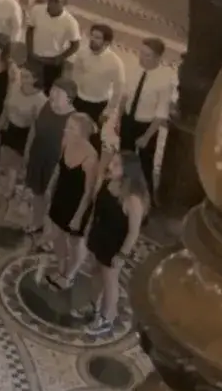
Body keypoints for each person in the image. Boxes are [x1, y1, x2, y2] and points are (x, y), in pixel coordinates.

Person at [77, 152, 150, 331]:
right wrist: (88, 228)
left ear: (128, 171)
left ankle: (106, 317)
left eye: (117, 164)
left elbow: (133, 232)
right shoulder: (110, 183)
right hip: (100, 235)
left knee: (110, 282)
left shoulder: (132, 198)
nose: (111, 166)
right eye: (113, 162)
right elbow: (97, 209)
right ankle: (93, 305)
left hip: (115, 244)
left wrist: (122, 255)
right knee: (95, 273)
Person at [114, 37, 177, 194]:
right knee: (124, 156)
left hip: (146, 124)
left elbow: (161, 113)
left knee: (145, 163)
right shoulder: (134, 70)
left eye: (147, 55)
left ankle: (144, 196)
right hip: (129, 119)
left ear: (158, 57)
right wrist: (118, 120)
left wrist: (147, 137)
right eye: (141, 53)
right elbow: (125, 97)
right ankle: (122, 188)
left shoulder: (164, 79)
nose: (141, 58)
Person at [43, 112, 101, 283]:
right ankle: (61, 265)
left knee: (75, 242)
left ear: (83, 133)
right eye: (67, 126)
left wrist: (77, 217)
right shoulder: (66, 143)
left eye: (71, 128)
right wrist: (50, 188)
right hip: (61, 195)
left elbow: (88, 192)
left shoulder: (91, 158)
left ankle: (70, 274)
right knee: (56, 233)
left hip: (78, 204)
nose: (66, 130)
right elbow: (59, 168)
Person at [21, 76, 78, 231]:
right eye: (53, 89)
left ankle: (51, 233)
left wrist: (59, 172)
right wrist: (27, 149)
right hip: (38, 156)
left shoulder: (73, 119)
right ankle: (37, 221)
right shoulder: (46, 105)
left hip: (55, 165)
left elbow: (70, 150)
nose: (53, 94)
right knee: (37, 193)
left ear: (69, 99)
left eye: (59, 92)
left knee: (52, 200)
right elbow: (35, 127)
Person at [0, 65, 48, 196]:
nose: (22, 79)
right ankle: (3, 180)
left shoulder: (40, 99)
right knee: (5, 157)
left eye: (26, 76)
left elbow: (35, 128)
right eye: (22, 75)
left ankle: (9, 189)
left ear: (35, 79)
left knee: (15, 164)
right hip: (9, 127)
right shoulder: (14, 87)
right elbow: (5, 109)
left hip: (24, 133)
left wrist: (28, 149)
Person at [26, 0, 83, 91]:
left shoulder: (70, 22)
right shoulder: (37, 10)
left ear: (64, 3)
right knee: (30, 83)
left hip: (52, 61)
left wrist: (60, 58)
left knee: (49, 90)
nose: (51, 3)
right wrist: (29, 50)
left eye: (56, 1)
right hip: (34, 57)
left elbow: (76, 45)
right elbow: (30, 29)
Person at [70, 23, 125, 123]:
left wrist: (108, 112)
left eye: (97, 37)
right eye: (92, 35)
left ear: (107, 42)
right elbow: (76, 74)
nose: (92, 39)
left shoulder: (115, 63)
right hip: (79, 99)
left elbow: (118, 90)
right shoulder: (82, 53)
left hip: (98, 104)